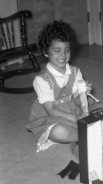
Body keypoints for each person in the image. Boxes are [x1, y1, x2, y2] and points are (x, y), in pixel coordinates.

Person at [26, 20, 95, 158]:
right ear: (46, 52)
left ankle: (85, 134)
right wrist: (75, 118)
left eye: (66, 50)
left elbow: (76, 102)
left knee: (98, 109)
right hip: (51, 116)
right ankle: (87, 135)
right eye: (57, 51)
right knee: (59, 132)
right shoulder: (41, 80)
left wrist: (83, 96)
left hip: (71, 110)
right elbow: (51, 110)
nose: (63, 55)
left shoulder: (75, 72)